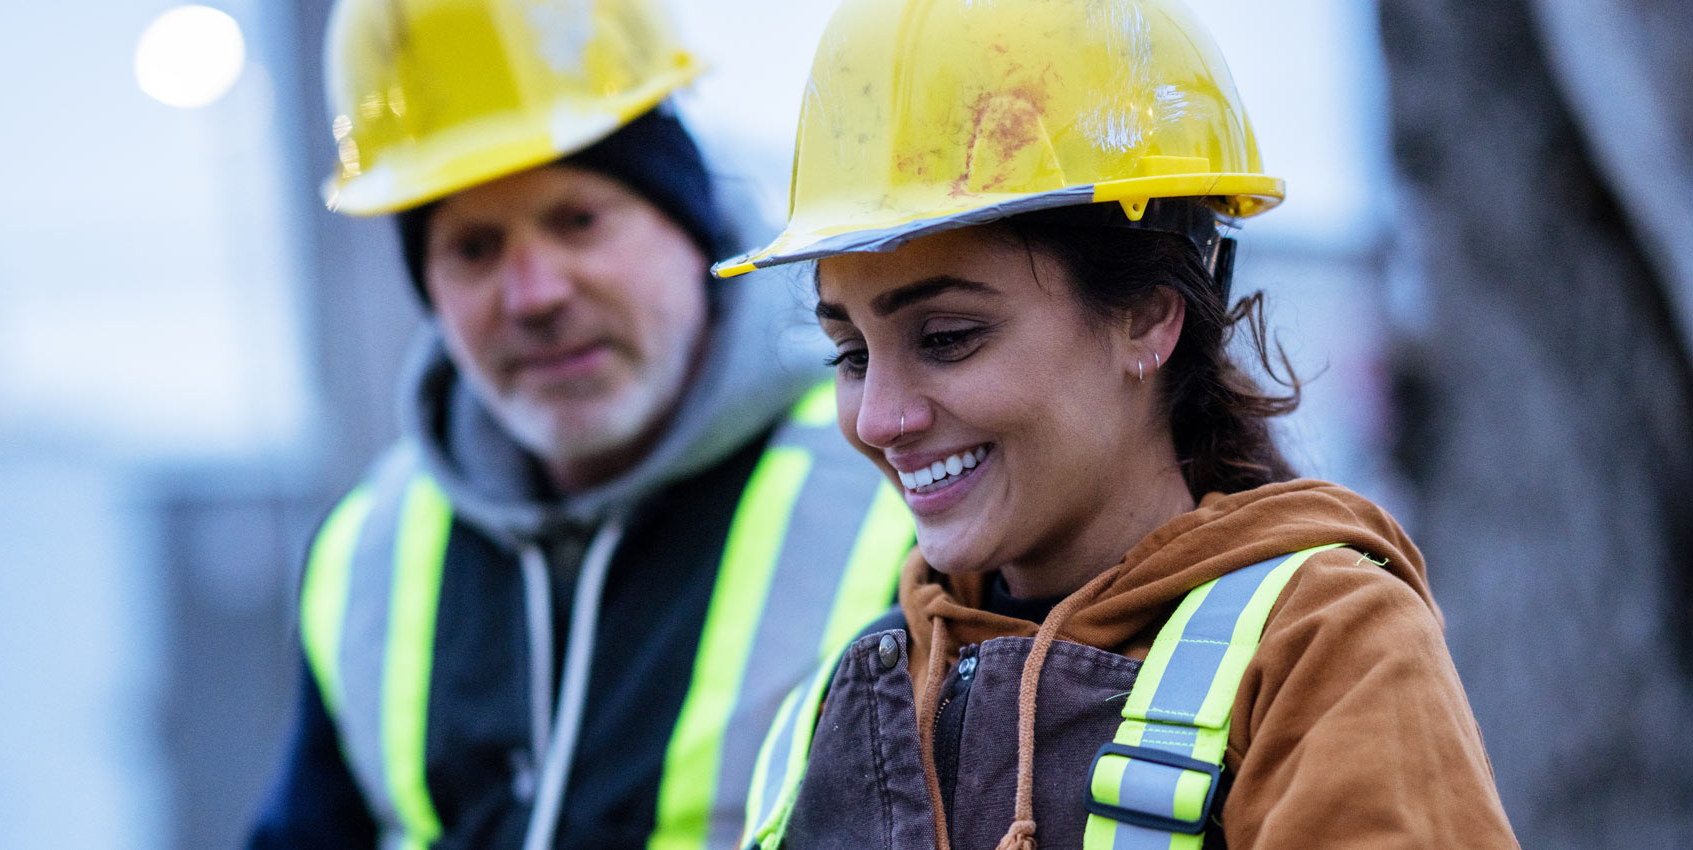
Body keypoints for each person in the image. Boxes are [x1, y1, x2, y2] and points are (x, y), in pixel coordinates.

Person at [716, 0, 1521, 848]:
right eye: (849, 354)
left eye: (947, 339)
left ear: (1145, 317)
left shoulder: (1322, 647)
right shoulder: (865, 681)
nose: (880, 417)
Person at [246, 2, 913, 849]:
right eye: (475, 248)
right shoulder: (365, 555)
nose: (534, 295)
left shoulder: (900, 485)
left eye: (577, 220)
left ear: (690, 223)